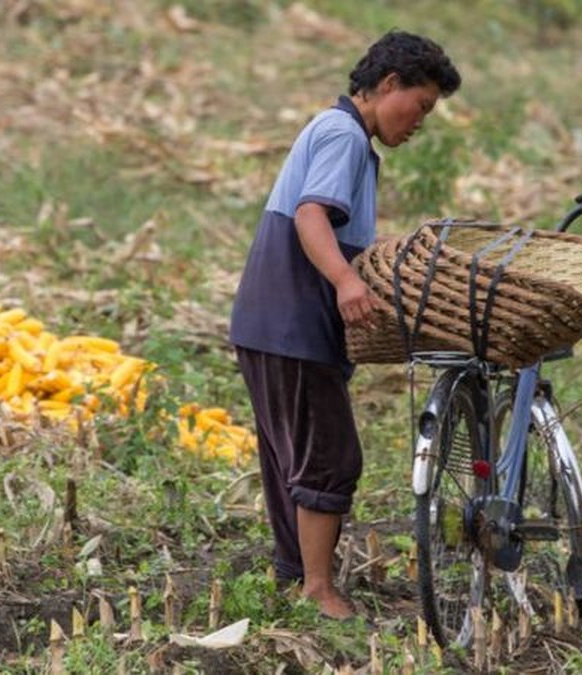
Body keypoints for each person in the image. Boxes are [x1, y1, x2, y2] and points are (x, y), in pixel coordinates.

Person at [229, 30, 461, 619]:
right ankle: (318, 588)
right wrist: (347, 282)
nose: (420, 123)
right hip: (291, 321)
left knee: (292, 455)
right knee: (330, 456)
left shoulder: (336, 131)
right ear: (388, 85)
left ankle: (292, 578)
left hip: (267, 321)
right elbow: (311, 216)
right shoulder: (344, 135)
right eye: (422, 106)